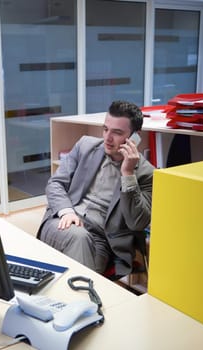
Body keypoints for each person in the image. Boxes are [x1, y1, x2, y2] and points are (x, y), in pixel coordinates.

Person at [38, 100, 154, 277]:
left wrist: (128, 173)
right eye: (105, 129)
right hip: (63, 221)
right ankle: (83, 301)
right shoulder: (85, 146)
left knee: (77, 266)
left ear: (134, 137)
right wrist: (67, 211)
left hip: (102, 239)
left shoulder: (146, 172)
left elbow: (137, 222)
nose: (107, 138)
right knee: (79, 240)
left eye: (117, 132)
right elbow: (55, 183)